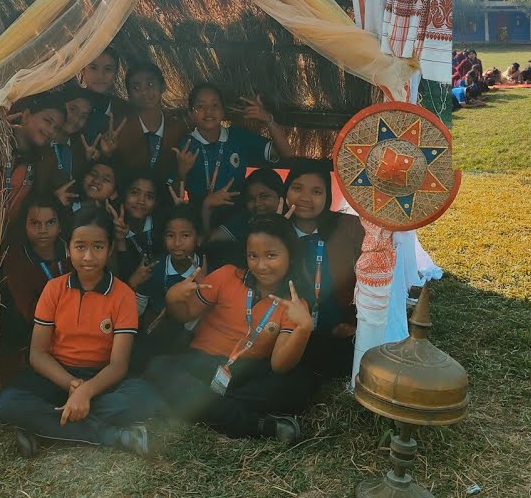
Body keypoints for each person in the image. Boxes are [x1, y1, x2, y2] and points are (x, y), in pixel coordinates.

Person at [0, 206, 156, 458]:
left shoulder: (123, 295)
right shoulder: (54, 289)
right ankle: (113, 436)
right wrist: (72, 385)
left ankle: (44, 427)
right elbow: (38, 354)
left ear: (110, 249)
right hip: (57, 375)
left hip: (102, 379)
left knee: (143, 398)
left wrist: (86, 392)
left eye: (98, 247)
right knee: (7, 403)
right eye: (80, 246)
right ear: (68, 249)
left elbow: (118, 365)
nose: (88, 256)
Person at [144, 215, 317, 442]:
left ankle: (196, 404)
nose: (261, 265)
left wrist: (303, 328)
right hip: (201, 361)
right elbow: (185, 314)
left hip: (246, 374)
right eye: (253, 256)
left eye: (271, 256)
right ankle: (257, 426)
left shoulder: (294, 304)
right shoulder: (227, 275)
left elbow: (279, 365)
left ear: (290, 256)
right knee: (158, 366)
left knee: (299, 387)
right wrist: (172, 298)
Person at [282, 160, 362, 378]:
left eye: (316, 191)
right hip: (286, 328)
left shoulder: (348, 227)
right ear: (286, 190)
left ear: (328, 196)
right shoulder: (275, 230)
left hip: (337, 326)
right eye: (297, 188)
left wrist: (351, 321)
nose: (305, 198)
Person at [174, 83, 292, 204]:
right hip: (198, 212)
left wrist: (268, 119)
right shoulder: (185, 145)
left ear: (223, 111)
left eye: (215, 105)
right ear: (191, 114)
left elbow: (286, 154)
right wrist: (181, 172)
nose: (209, 111)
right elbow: (175, 196)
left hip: (238, 212)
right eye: (200, 106)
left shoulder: (238, 137)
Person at [130, 204, 206, 368]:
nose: (177, 243)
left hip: (189, 337)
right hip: (154, 332)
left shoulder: (206, 273)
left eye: (185, 235)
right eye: (170, 235)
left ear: (199, 238)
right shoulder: (155, 267)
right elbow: (137, 308)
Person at [0, 194, 70, 364]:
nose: (43, 230)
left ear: (60, 225)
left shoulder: (72, 252)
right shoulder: (16, 259)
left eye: (50, 222)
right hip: (32, 340)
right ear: (25, 225)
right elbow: (30, 311)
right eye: (35, 223)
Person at [106, 62, 189, 187]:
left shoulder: (178, 126)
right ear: (129, 95)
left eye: (150, 84)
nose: (144, 92)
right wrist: (106, 153)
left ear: (163, 86)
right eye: (136, 88)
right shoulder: (120, 130)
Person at [5, 93, 67, 229]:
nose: (51, 131)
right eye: (48, 121)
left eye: (56, 128)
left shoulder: (43, 162)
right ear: (26, 116)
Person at [111, 168, 161, 281]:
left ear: (156, 202)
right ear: (124, 194)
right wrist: (120, 240)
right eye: (134, 193)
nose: (141, 201)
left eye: (149, 196)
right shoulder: (114, 227)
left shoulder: (162, 227)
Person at [78, 47, 131, 146]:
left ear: (115, 73)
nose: (100, 76)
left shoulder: (124, 110)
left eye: (108, 69)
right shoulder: (70, 103)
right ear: (82, 70)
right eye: (93, 68)